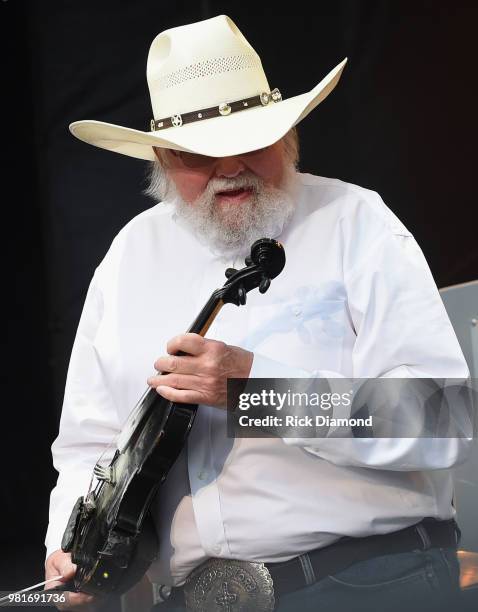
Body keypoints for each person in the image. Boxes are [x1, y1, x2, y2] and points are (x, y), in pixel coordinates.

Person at [44, 14, 470, 612]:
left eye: (249, 140)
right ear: (162, 159)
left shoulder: (356, 221)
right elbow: (88, 445)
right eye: (198, 154)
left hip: (365, 582)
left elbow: (441, 420)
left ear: (288, 133)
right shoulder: (129, 256)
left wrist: (256, 388)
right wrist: (71, 545)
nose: (228, 167)